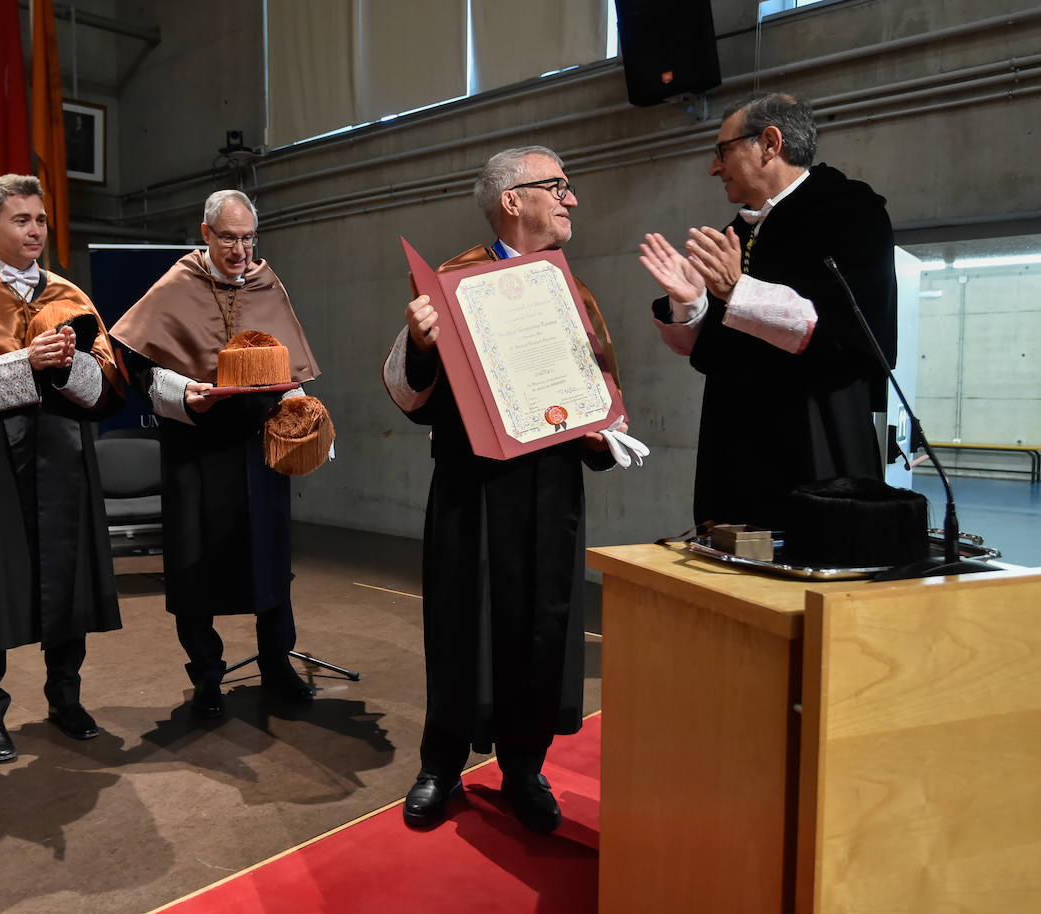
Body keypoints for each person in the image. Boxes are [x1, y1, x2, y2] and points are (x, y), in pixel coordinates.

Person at [383, 146, 634, 833]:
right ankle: (440, 765)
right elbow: (405, 391)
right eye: (558, 186)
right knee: (461, 622)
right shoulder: (451, 283)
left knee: (543, 624)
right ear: (512, 199)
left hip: (549, 491)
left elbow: (600, 392)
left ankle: (525, 766)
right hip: (474, 487)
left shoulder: (572, 293)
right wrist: (419, 343)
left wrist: (606, 428)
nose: (572, 199)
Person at [639, 92, 896, 528]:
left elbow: (854, 334)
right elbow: (717, 343)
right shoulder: (738, 230)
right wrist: (691, 302)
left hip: (813, 430)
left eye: (722, 151)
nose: (713, 167)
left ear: (770, 143)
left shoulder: (850, 212)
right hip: (734, 435)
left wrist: (739, 291)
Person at [110, 189, 320, 720]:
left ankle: (276, 663)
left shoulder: (269, 284)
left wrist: (306, 417)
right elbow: (137, 363)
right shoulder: (177, 284)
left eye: (249, 238)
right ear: (206, 235)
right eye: (229, 238)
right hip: (196, 450)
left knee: (270, 559)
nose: (241, 250)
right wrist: (184, 393)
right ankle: (207, 675)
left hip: (257, 451)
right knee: (194, 565)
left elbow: (288, 370)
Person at [0, 175, 124, 760]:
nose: (35, 231)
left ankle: (65, 696)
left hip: (64, 450)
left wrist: (67, 371)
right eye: (21, 220)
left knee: (68, 579)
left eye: (40, 220)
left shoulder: (70, 295)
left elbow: (108, 387)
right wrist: (26, 364)